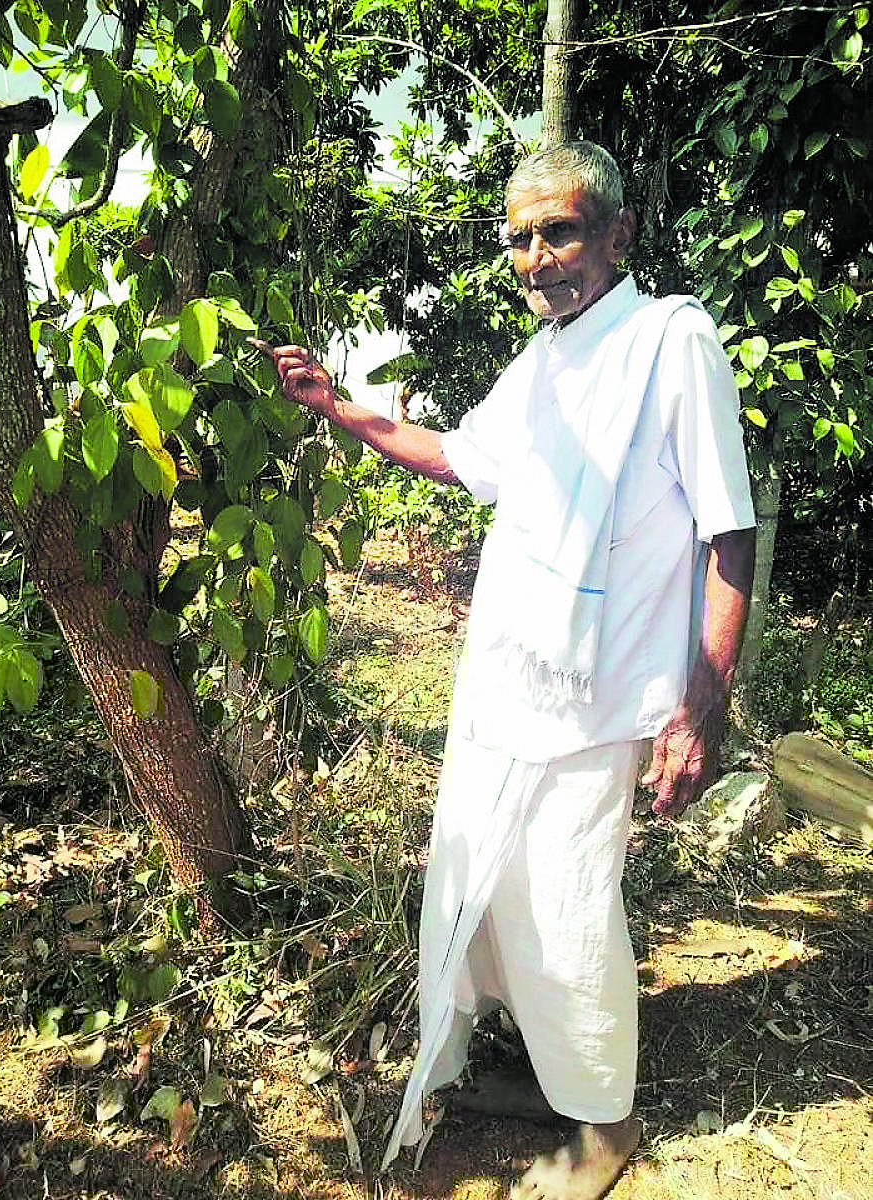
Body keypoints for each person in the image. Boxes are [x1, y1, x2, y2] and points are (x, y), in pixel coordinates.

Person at [250, 140, 756, 1200]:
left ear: (619, 233)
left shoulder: (673, 341)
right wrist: (337, 405)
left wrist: (701, 709)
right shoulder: (543, 362)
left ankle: (606, 1124)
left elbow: (728, 534)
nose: (537, 257)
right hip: (505, 686)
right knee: (486, 887)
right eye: (520, 238)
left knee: (569, 904)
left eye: (560, 230)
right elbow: (458, 456)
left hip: (599, 699)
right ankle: (545, 1066)